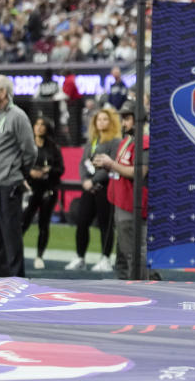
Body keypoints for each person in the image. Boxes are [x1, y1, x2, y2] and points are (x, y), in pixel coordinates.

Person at [0, 74, 37, 277]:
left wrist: (17, 172)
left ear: (3, 93)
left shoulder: (17, 116)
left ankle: (16, 281)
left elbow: (30, 151)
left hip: (8, 185)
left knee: (10, 238)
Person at [92, 101, 147, 280]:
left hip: (133, 204)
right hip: (121, 203)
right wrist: (107, 166)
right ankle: (126, 290)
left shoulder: (145, 141)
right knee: (123, 254)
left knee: (134, 253)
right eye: (123, 118)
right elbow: (121, 169)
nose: (124, 123)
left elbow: (140, 172)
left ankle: (140, 292)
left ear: (139, 119)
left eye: (127, 118)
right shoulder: (127, 141)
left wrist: (111, 164)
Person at [66, 107, 121, 272]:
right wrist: (84, 180)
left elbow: (111, 166)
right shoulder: (92, 141)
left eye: (105, 119)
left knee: (105, 224)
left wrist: (94, 180)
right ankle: (80, 257)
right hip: (89, 189)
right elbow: (83, 162)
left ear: (111, 122)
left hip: (105, 188)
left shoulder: (115, 142)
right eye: (99, 120)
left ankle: (105, 258)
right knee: (82, 222)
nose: (101, 122)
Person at [22, 115, 64, 270]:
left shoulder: (53, 148)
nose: (39, 127)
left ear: (47, 128)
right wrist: (30, 172)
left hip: (48, 190)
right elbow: (19, 164)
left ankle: (39, 255)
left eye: (42, 124)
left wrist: (49, 170)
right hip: (29, 189)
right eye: (37, 124)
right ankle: (15, 251)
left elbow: (61, 169)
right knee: (23, 222)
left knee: (44, 224)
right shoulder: (27, 144)